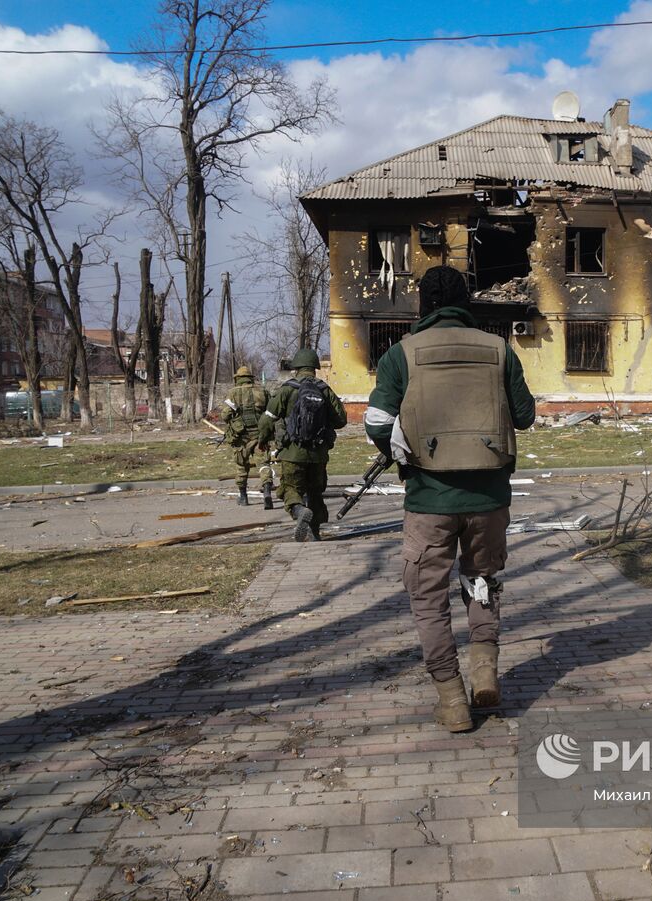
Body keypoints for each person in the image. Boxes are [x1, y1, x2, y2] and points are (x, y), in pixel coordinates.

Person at [364, 266, 536, 732]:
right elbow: (524, 417)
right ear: (466, 301)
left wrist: (405, 455)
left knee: (429, 601)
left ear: (423, 305)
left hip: (429, 503)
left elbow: (376, 422)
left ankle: (453, 701)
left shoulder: (401, 355)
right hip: (489, 501)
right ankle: (485, 673)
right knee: (480, 583)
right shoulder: (500, 350)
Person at [260, 347, 347, 542]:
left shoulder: (286, 389)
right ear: (315, 367)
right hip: (318, 454)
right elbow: (341, 420)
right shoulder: (324, 389)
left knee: (290, 489)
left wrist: (262, 439)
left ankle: (299, 511)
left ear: (296, 367)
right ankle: (314, 533)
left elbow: (267, 419)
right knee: (315, 492)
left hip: (292, 453)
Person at [220, 365, 269, 507]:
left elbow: (225, 415)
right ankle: (267, 493)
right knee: (264, 464)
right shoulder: (262, 391)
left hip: (241, 437)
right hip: (260, 436)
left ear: (238, 379)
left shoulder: (233, 393)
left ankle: (243, 497)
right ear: (250, 378)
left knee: (241, 466)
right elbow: (271, 412)